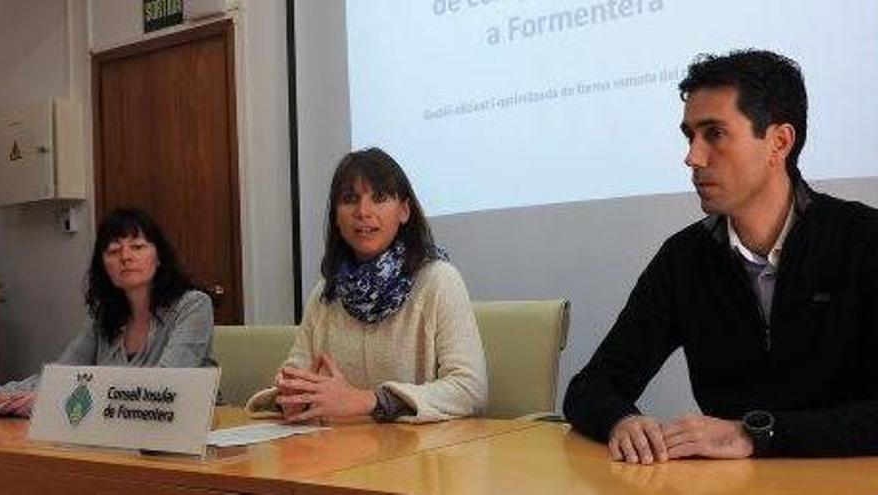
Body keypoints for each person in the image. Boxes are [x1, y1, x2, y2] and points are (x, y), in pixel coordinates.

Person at [563, 49, 878, 461]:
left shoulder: (864, 241)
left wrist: (754, 435)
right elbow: (592, 385)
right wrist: (621, 420)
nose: (692, 157)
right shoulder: (684, 258)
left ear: (779, 142)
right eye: (689, 135)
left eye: (714, 133)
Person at [246, 148, 487, 423]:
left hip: (423, 456)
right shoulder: (327, 292)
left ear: (404, 211)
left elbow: (471, 389)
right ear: (336, 217)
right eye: (350, 199)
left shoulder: (439, 280)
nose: (363, 211)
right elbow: (297, 374)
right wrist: (292, 398)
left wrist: (370, 401)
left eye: (379, 198)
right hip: (344, 454)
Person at [0, 208, 216, 417]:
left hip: (193, 429)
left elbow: (167, 384)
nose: (126, 257)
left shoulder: (193, 305)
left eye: (138, 247)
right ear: (103, 265)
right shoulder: (104, 318)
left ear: (158, 257)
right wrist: (6, 394)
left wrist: (54, 397)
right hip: (117, 433)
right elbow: (62, 374)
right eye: (113, 251)